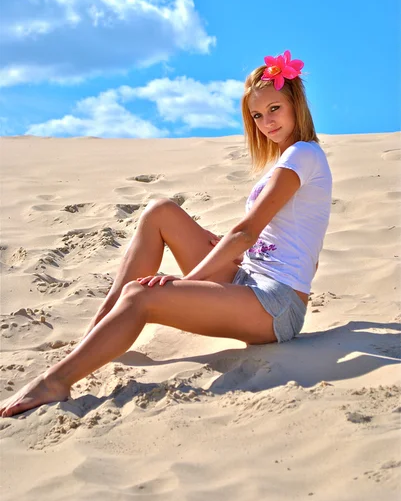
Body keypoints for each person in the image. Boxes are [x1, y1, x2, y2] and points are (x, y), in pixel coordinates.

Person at [0, 50, 332, 418]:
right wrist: (233, 258)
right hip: (251, 278)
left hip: (275, 305)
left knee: (143, 293)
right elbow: (289, 237)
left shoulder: (303, 154)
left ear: (295, 105)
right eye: (257, 115)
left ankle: (56, 381)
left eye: (275, 109)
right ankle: (106, 322)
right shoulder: (291, 158)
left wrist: (187, 283)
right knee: (161, 212)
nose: (266, 122)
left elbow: (247, 232)